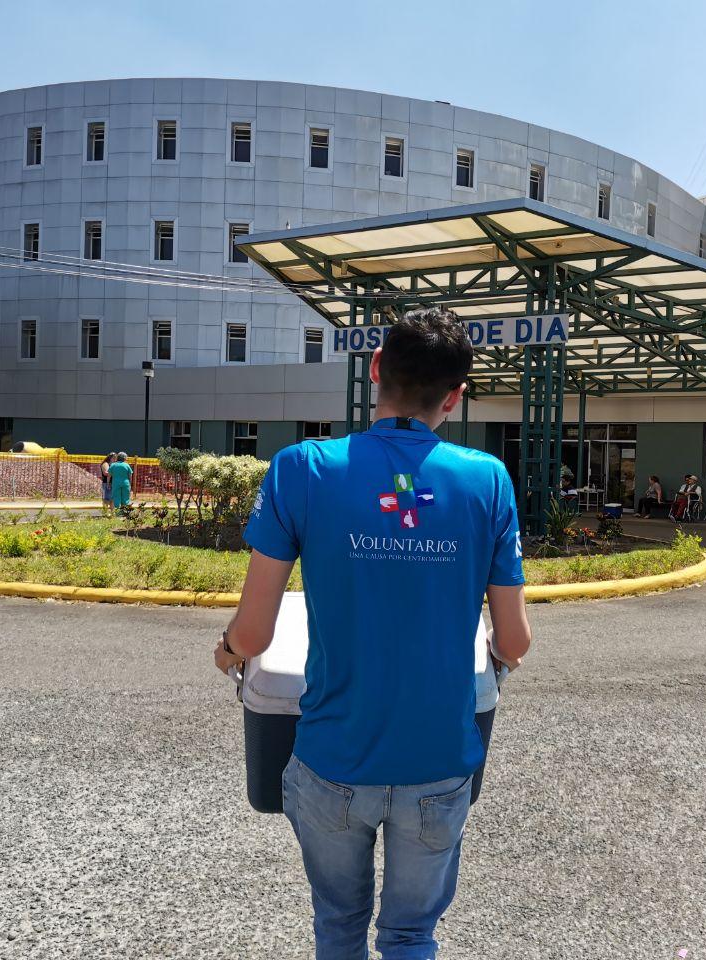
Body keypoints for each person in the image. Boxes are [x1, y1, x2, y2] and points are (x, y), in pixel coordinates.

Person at [215, 307, 532, 960]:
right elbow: (515, 642)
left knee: (338, 926)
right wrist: (497, 653)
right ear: (455, 396)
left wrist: (227, 651)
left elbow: (253, 632)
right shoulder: (488, 480)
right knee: (412, 936)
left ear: (376, 368)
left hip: (333, 760)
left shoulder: (303, 468)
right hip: (439, 764)